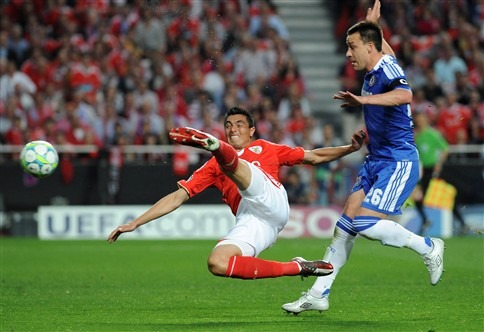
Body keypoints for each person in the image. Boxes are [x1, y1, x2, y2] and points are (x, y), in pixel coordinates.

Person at [282, 0, 445, 315]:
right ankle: (319, 293)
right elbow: (385, 53)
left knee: (366, 223)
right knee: (344, 226)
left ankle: (428, 246)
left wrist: (362, 99)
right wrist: (374, 25)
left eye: (351, 46)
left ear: (369, 47)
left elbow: (405, 94)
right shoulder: (377, 67)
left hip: (398, 160)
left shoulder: (385, 70)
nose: (347, 53)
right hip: (376, 159)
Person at [108, 106, 366, 280]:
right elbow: (178, 196)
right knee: (217, 262)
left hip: (271, 198)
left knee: (241, 170)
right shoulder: (212, 167)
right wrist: (135, 222)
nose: (233, 129)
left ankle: (213, 145)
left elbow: (313, 156)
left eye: (240, 125)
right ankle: (298, 266)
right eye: (228, 125)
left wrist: (350, 148)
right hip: (252, 220)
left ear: (252, 130)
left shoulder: (266, 147)